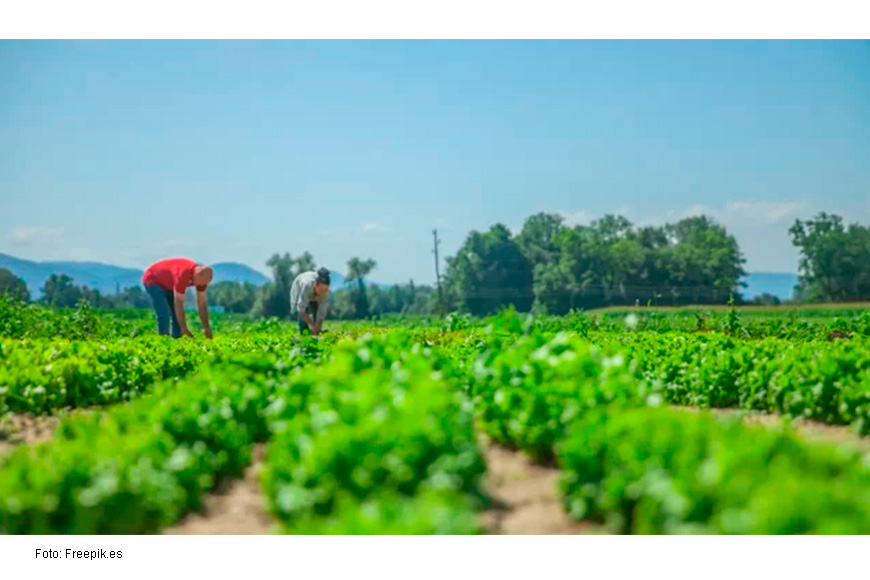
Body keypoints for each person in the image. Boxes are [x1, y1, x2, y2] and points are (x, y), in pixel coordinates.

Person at [142, 257, 214, 339]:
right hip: (153, 279)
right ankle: (163, 341)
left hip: (169, 284)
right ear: (197, 275)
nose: (201, 285)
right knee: (164, 313)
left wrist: (206, 327)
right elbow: (179, 303)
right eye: (201, 283)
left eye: (205, 283)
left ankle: (177, 340)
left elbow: (201, 303)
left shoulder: (202, 281)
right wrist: (184, 328)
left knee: (176, 317)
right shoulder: (183, 274)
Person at [290, 267, 331, 335]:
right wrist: (312, 325)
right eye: (321, 289)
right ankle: (304, 335)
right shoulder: (306, 285)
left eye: (325, 290)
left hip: (313, 295)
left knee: (316, 317)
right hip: (299, 289)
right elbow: (301, 310)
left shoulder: (325, 293)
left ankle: (315, 335)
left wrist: (318, 326)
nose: (322, 292)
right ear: (315, 285)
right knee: (302, 317)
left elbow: (321, 313)